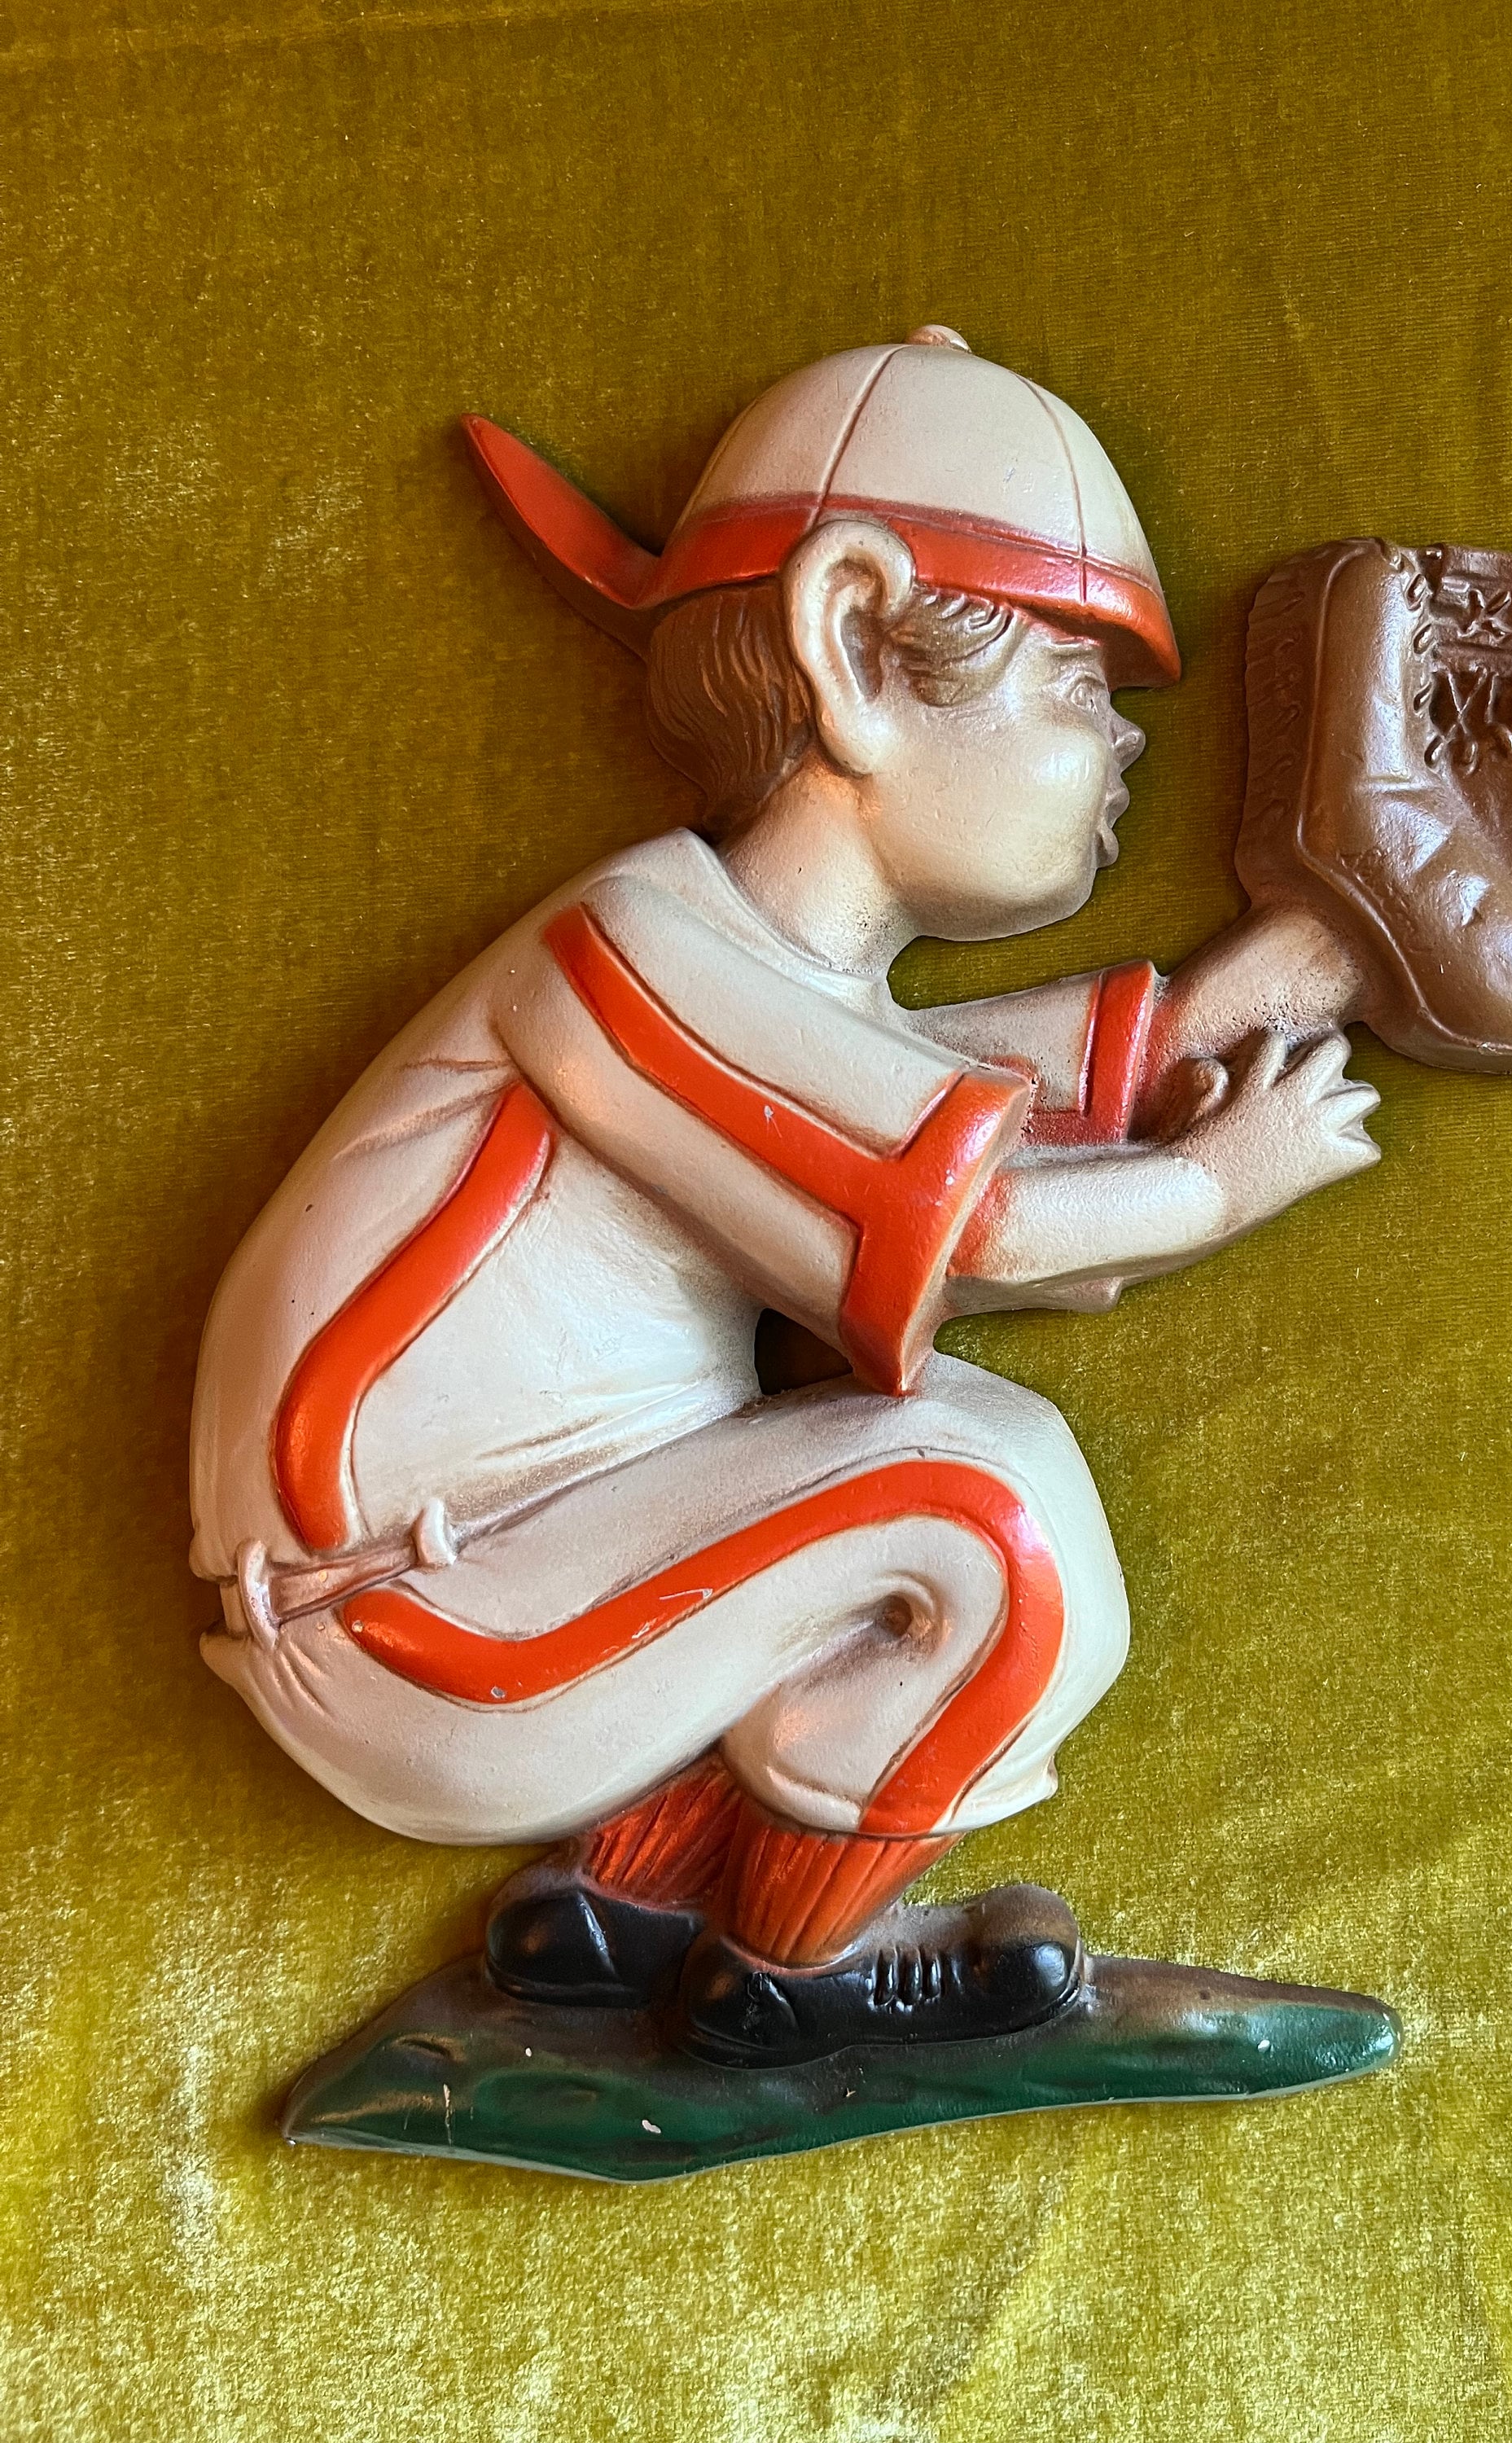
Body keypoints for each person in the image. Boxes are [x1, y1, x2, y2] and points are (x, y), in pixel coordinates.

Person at [191, 329, 1378, 2066]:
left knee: (949, 1469)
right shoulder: (626, 956)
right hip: (408, 1621)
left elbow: (955, 1100)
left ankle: (623, 1903)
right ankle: (788, 1969)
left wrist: (1291, 972)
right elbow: (973, 1224)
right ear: (853, 643)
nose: (1124, 744)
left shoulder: (733, 967)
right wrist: (1210, 1183)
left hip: (510, 1582)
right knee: (993, 1494)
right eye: (1075, 683)